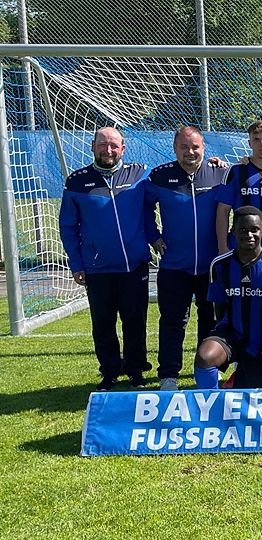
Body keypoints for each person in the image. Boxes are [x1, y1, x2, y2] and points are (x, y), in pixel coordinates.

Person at [59, 127, 152, 392]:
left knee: (135, 321)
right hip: (97, 268)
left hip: (134, 265)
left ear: (123, 148)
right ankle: (109, 371)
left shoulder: (140, 174)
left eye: (113, 146)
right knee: (103, 323)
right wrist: (76, 264)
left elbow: (177, 175)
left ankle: (136, 370)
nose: (108, 150)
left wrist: (215, 164)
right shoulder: (76, 182)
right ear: (92, 146)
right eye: (103, 145)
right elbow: (68, 227)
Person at [145, 126, 225, 391]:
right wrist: (153, 236)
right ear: (175, 148)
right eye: (184, 147)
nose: (190, 152)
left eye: (195, 147)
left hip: (211, 265)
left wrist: (229, 247)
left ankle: (207, 368)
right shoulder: (160, 177)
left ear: (203, 147)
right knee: (172, 321)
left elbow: (239, 209)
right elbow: (142, 209)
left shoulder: (220, 173)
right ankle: (168, 375)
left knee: (210, 319)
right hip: (174, 265)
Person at [195, 206, 262, 389]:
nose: (249, 234)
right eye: (242, 230)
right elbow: (219, 308)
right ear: (233, 231)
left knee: (254, 392)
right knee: (205, 356)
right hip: (231, 336)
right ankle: (212, 409)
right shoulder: (219, 265)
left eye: (254, 230)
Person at [216, 120, 262, 259]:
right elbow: (223, 210)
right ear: (250, 143)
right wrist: (222, 247)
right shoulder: (236, 171)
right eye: (256, 139)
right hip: (239, 248)